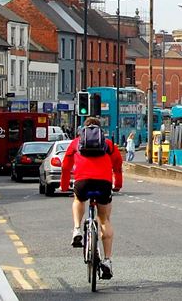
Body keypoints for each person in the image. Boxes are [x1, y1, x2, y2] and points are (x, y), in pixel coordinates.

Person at [61, 116, 123, 280]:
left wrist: (64, 184)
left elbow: (66, 166)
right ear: (100, 129)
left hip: (82, 182)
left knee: (78, 200)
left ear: (84, 128)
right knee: (104, 220)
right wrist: (118, 185)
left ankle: (76, 229)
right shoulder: (108, 144)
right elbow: (118, 165)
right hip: (103, 183)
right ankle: (108, 260)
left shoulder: (76, 142)